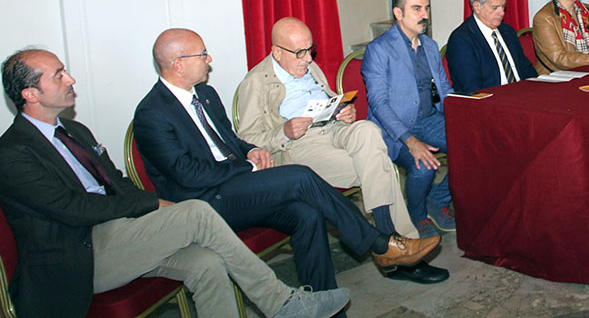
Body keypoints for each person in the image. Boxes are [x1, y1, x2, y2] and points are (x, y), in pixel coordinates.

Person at [0, 48, 350, 318]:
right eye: (59, 75)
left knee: (207, 264)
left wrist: (149, 213)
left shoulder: (75, 131)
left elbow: (118, 183)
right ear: (31, 94)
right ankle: (281, 303)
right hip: (77, 258)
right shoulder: (12, 152)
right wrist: (152, 204)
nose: (71, 79)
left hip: (122, 233)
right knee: (197, 212)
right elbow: (73, 209)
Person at [133, 29, 440, 300]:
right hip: (204, 203)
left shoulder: (205, 94)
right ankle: (379, 243)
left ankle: (324, 303)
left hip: (238, 184)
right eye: (202, 54)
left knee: (308, 215)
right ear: (178, 64)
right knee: (301, 177)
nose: (209, 59)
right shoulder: (152, 113)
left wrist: (251, 151)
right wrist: (249, 164)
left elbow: (233, 141)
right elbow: (189, 175)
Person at [236, 17, 449, 284]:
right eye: (299, 53)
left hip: (333, 129)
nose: (307, 59)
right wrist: (284, 132)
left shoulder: (309, 67)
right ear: (276, 52)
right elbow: (246, 139)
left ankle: (390, 245)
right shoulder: (256, 82)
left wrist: (343, 111)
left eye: (310, 50)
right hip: (299, 145)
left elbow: (327, 100)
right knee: (379, 166)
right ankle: (402, 252)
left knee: (367, 130)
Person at [362, 0, 455, 239]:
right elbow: (379, 104)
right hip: (395, 128)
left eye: (427, 8)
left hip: (429, 119)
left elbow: (444, 90)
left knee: (474, 146)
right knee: (424, 166)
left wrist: (463, 118)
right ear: (398, 13)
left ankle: (436, 199)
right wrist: (411, 141)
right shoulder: (379, 50)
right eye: (416, 9)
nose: (425, 15)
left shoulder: (430, 46)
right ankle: (417, 214)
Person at [445, 0, 537, 94]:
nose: (502, 13)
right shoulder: (461, 40)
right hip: (492, 100)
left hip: (522, 95)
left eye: (503, 7)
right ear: (477, 7)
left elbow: (527, 70)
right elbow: (473, 88)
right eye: (495, 8)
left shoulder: (508, 32)